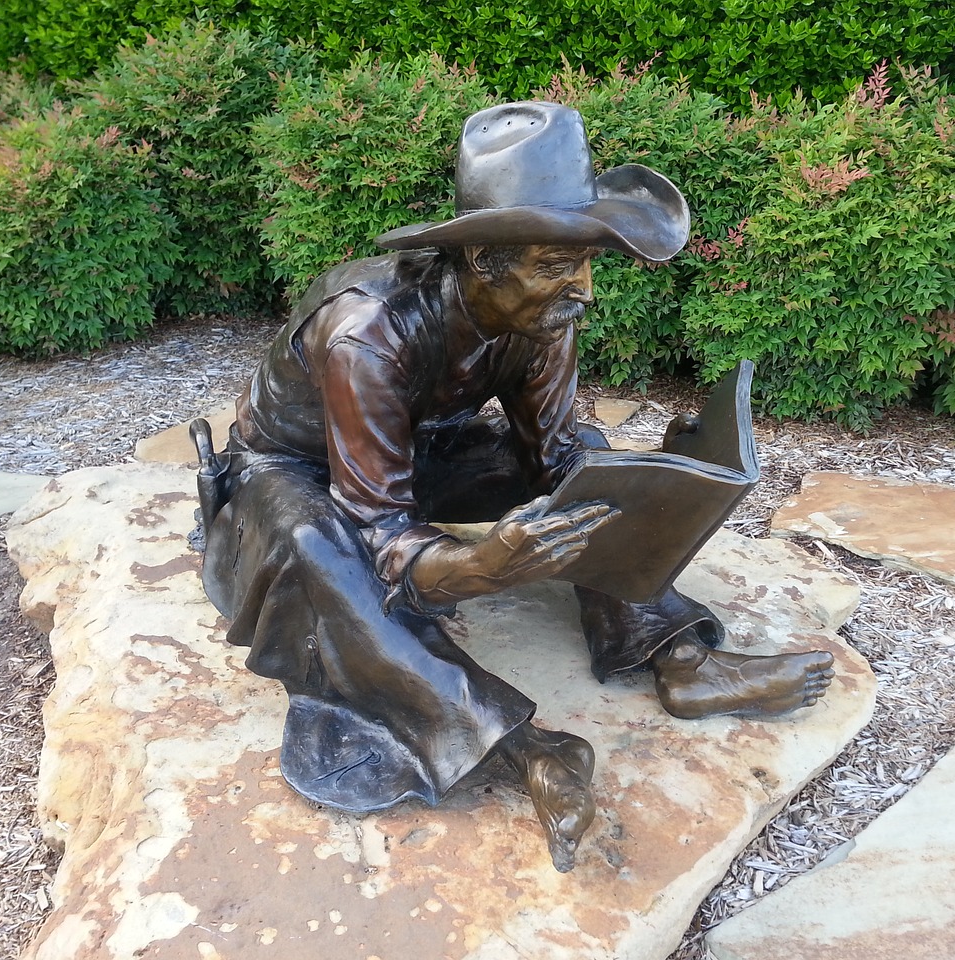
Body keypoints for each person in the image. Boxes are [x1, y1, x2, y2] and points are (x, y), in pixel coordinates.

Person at [194, 101, 834, 873]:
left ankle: (672, 653)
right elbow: (376, 526)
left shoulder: (541, 319)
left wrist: (655, 488)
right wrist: (476, 568)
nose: (585, 288)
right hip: (295, 473)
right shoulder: (370, 330)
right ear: (481, 263)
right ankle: (520, 745)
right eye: (557, 265)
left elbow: (557, 454)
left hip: (418, 454)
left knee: (592, 463)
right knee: (319, 547)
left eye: (587, 261)